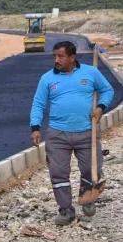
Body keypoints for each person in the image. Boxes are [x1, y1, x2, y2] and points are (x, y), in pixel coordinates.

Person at [30, 41, 113, 225]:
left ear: (72, 57)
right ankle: (66, 209)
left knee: (91, 169)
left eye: (61, 56)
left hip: (86, 132)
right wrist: (35, 127)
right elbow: (38, 104)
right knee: (58, 173)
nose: (56, 60)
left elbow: (107, 90)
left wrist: (100, 108)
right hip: (58, 134)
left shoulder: (91, 73)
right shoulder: (47, 79)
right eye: (54, 56)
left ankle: (88, 196)